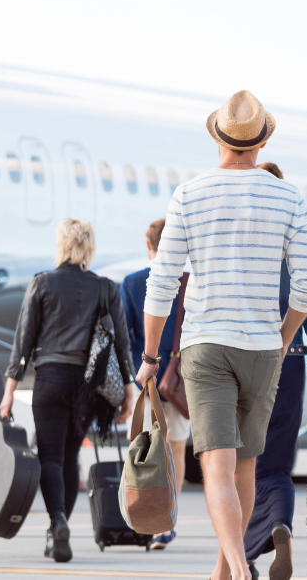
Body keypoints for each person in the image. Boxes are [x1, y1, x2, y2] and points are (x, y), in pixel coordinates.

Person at [136, 91, 307, 580]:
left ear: (218, 138)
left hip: (207, 345)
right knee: (245, 468)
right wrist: (283, 338)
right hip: (262, 348)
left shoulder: (190, 195)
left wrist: (150, 356)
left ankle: (238, 570)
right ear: (260, 143)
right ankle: (227, 572)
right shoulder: (289, 196)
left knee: (216, 466)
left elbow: (162, 283)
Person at [0, 219, 137, 564]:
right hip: (86, 385)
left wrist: (8, 391)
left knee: (50, 456)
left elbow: (23, 342)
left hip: (49, 378)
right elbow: (122, 342)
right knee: (71, 455)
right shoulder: (105, 287)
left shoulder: (41, 284)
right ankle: (59, 526)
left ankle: (56, 522)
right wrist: (129, 390)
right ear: (89, 247)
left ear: (61, 245)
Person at [242, 162, 307, 580]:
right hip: (292, 360)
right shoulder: (298, 242)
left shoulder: (240, 242)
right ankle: (280, 526)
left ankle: (243, 552)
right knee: (277, 468)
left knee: (240, 463)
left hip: (243, 359)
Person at [120, 218, 192, 551]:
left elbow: (124, 338)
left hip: (144, 379)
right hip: (178, 384)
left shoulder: (132, 284)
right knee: (174, 451)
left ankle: (142, 516)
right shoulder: (191, 283)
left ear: (148, 246)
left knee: (141, 450)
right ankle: (167, 521)